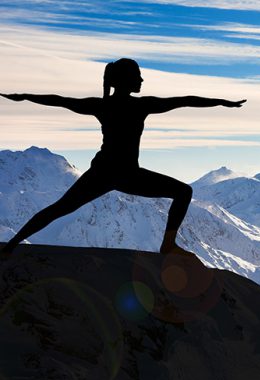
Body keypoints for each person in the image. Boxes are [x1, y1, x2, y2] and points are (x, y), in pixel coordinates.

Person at [0, 58, 246, 256]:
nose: (141, 80)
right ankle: (168, 245)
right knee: (183, 192)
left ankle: (11, 246)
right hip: (126, 174)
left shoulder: (103, 105)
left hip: (104, 173)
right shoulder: (140, 106)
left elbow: (60, 101)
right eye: (137, 76)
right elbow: (185, 101)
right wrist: (222, 103)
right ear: (126, 80)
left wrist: (23, 96)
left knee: (58, 209)